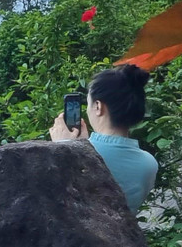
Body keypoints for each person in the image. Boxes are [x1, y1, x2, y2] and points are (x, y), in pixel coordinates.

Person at [49, 64, 159, 213]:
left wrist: (63, 147)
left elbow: (63, 203)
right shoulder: (149, 164)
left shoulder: (72, 152)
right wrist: (79, 146)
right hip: (123, 236)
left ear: (98, 107)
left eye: (88, 104)